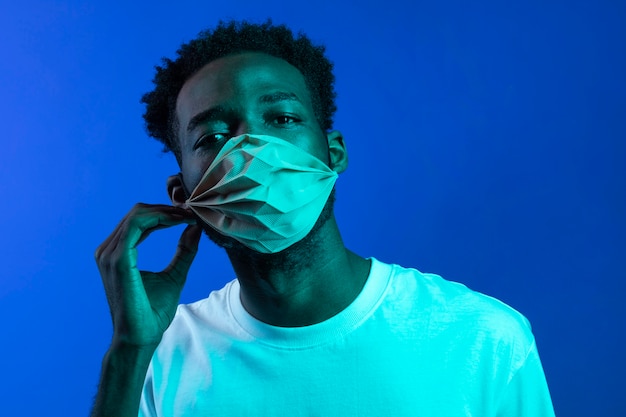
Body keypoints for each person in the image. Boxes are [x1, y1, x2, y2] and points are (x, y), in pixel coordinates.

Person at [91, 20, 555, 417]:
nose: (253, 150)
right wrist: (129, 352)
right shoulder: (159, 358)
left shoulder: (482, 339)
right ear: (182, 194)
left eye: (283, 118)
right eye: (213, 135)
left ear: (333, 155)